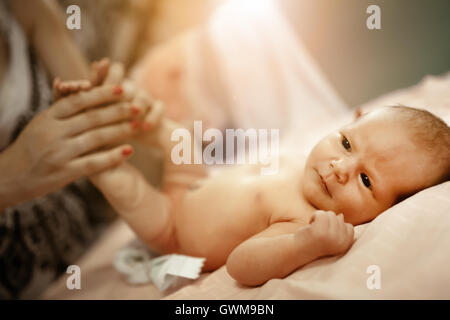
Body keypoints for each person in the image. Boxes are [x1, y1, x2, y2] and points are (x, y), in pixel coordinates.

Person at [58, 75, 450, 287]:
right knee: (170, 131)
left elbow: (243, 266)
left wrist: (304, 245)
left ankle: (80, 136)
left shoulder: (301, 220)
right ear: (350, 121)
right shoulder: (310, 161)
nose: (340, 168)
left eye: (366, 180)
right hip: (195, 178)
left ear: (389, 210)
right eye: (347, 142)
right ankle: (107, 103)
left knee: (117, 179)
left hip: (173, 228)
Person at [0, 0, 151, 298]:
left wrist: (113, 111)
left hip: (95, 260)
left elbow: (114, 147)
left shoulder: (26, 10)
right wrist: (9, 176)